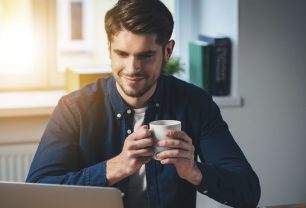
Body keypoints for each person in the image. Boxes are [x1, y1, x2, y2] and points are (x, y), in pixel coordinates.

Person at [26, 0, 261, 207]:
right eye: (122, 54)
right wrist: (114, 167)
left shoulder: (195, 103)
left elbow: (248, 192)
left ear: (167, 51)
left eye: (146, 56)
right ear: (109, 49)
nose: (132, 69)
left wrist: (195, 172)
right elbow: (36, 193)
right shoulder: (73, 108)